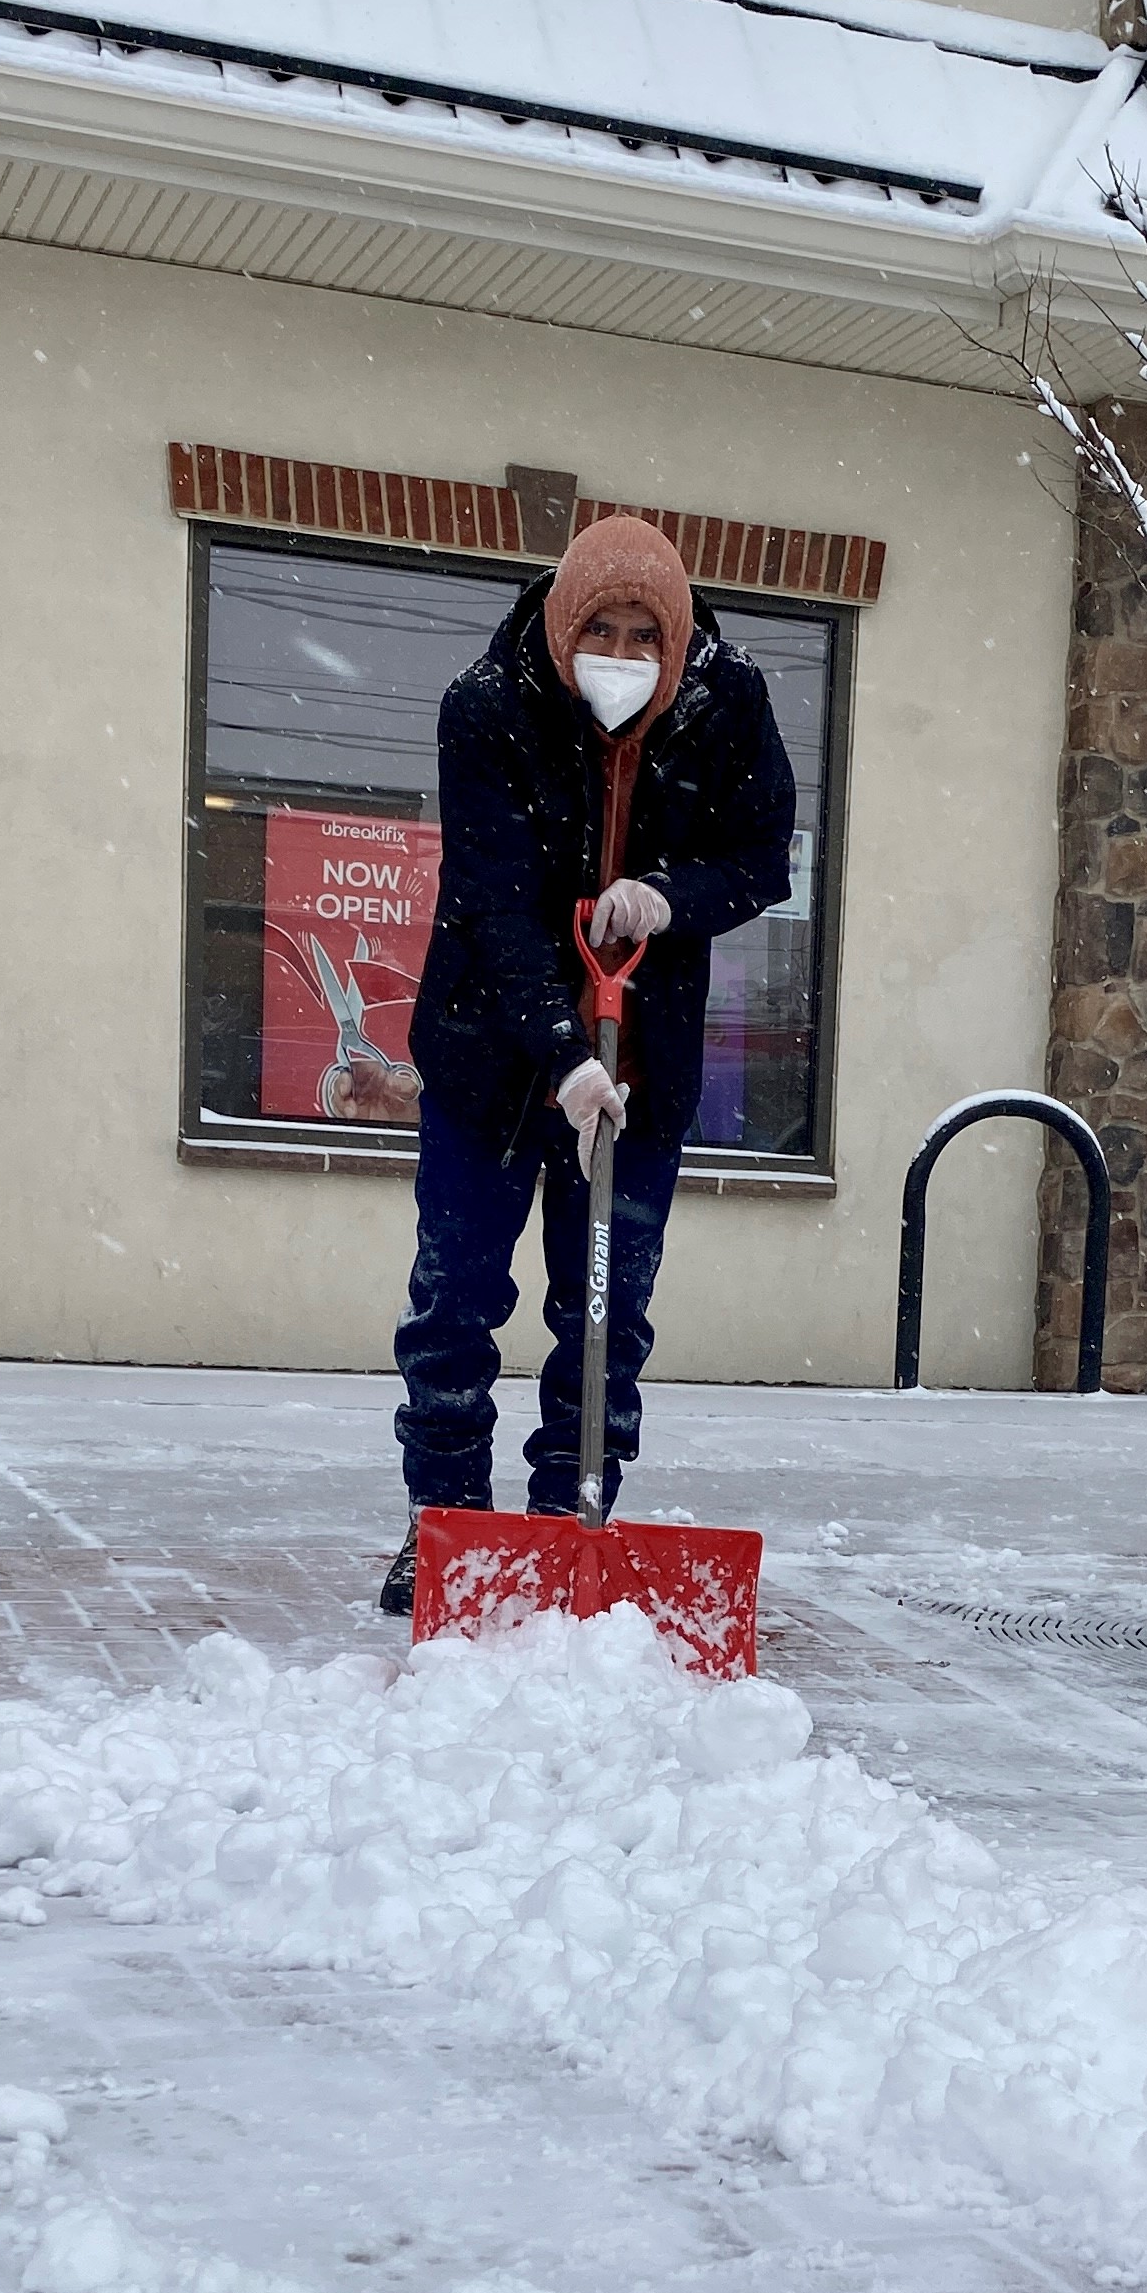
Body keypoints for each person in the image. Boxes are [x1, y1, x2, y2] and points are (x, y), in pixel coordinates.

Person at [377, 512, 796, 1611]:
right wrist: (562, 1055)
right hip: (487, 1059)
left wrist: (675, 894)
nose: (622, 652)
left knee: (604, 1313)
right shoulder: (489, 708)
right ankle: (447, 1530)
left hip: (643, 1061)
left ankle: (572, 1523)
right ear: (563, 629)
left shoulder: (726, 705)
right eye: (599, 629)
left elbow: (762, 857)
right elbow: (490, 903)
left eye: (643, 633)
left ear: (677, 637)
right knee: (456, 1302)